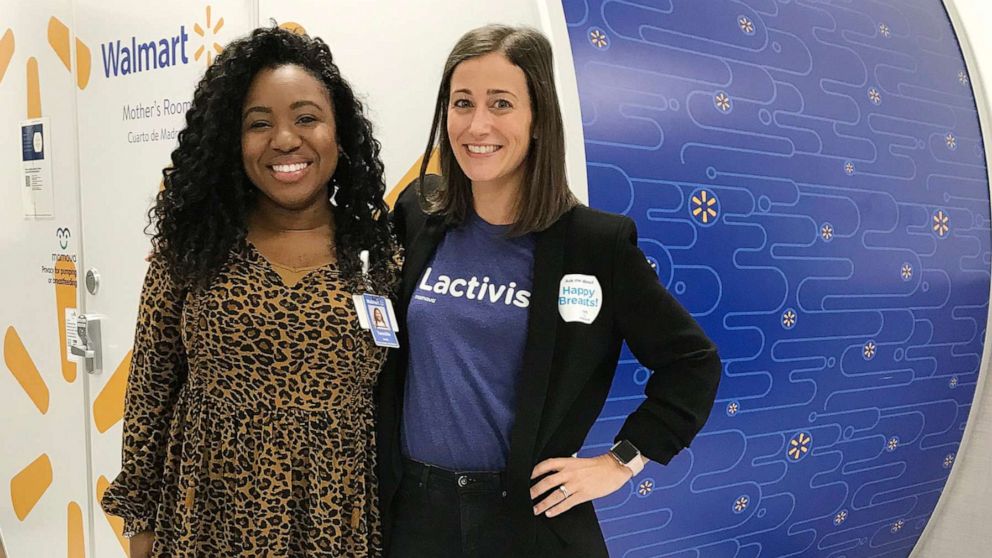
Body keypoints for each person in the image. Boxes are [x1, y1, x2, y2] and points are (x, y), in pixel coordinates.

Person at [377, 25, 722, 557]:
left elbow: (692, 363)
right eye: (462, 102)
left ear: (538, 119)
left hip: (523, 518)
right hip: (415, 516)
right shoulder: (419, 213)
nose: (477, 124)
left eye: (502, 104)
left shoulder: (594, 246)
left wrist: (620, 462)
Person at [101, 27, 399, 557]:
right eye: (259, 123)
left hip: (332, 520)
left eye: (306, 117)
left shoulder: (380, 256)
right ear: (230, 140)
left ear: (341, 132)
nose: (285, 140)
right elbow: (150, 388)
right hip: (205, 521)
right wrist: (139, 523)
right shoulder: (194, 249)